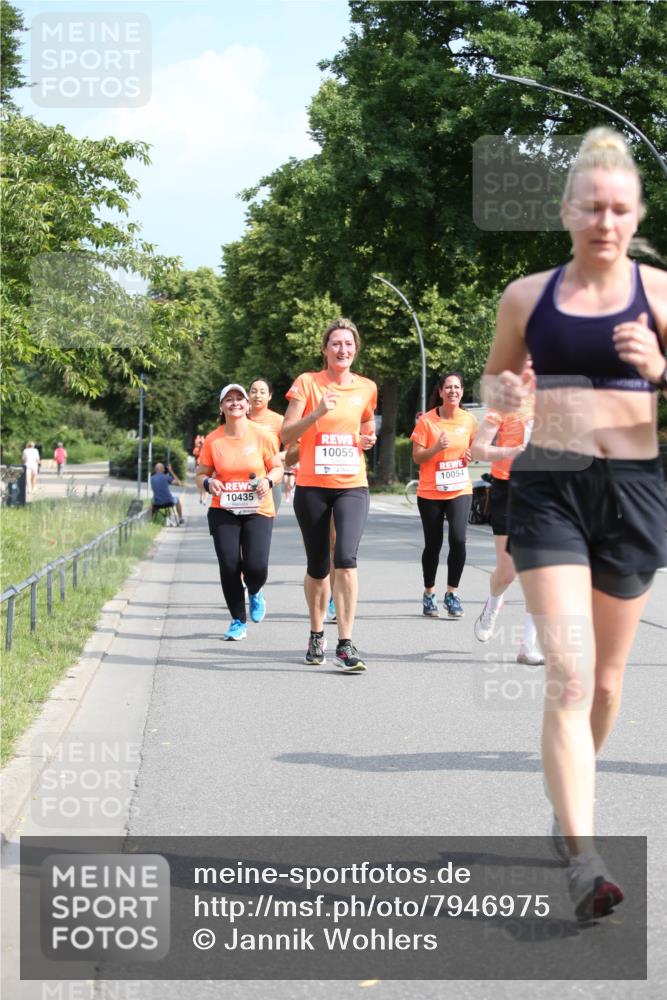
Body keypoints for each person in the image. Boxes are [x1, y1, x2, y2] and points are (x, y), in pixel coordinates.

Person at [482, 127, 667, 920]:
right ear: (565, 211)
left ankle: (568, 802)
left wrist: (661, 368)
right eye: (590, 207)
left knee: (603, 681)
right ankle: (586, 859)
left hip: (633, 487)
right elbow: (493, 381)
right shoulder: (526, 296)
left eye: (618, 208)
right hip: (549, 487)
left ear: (635, 214)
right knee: (565, 675)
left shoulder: (661, 294)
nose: (604, 221)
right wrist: (506, 404)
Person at [282, 318, 377, 671]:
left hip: (352, 484)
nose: (343, 350)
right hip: (312, 486)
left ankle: (346, 643)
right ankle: (316, 633)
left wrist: (367, 438)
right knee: (319, 566)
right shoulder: (307, 384)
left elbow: (367, 421)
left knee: (347, 558)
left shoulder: (367, 387)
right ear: (325, 349)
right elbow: (286, 432)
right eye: (336, 343)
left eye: (349, 344)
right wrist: (318, 412)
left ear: (356, 349)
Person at [196, 383, 283, 641]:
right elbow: (200, 474)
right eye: (229, 399)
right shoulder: (213, 440)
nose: (235, 403)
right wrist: (209, 483)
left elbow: (277, 468)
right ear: (221, 407)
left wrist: (267, 482)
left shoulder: (261, 435)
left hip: (258, 508)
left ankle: (255, 591)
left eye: (239, 399)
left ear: (247, 405)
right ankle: (237, 620)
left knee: (256, 567)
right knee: (229, 565)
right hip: (224, 509)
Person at [470, 369, 544, 665]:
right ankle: (493, 604)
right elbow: (477, 448)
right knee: (508, 571)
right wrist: (511, 450)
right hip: (509, 488)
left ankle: (528, 646)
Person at [410, 372, 478, 618]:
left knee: (458, 539)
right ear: (440, 392)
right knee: (433, 544)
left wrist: (472, 454)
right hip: (430, 491)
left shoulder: (469, 420)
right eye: (448, 387)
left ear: (461, 391)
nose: (452, 391)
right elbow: (417, 457)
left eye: (457, 387)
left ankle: (452, 593)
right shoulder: (427, 422)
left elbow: (475, 447)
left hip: (460, 488)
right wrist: (436, 448)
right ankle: (429, 593)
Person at [248, 377, 285, 514]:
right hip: (242, 479)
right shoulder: (239, 419)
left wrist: (273, 457)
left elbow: (295, 448)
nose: (258, 395)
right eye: (254, 391)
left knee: (265, 523)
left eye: (262, 392)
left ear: (269, 396)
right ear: (248, 395)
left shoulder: (278, 420)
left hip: (270, 479)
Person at [192, 434, 206, 503]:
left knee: (205, 483)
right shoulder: (196, 449)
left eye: (201, 444)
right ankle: (201, 497)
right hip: (198, 466)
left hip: (205, 467)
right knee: (201, 484)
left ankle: (204, 498)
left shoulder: (205, 449)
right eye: (199, 444)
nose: (200, 445)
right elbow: (195, 454)